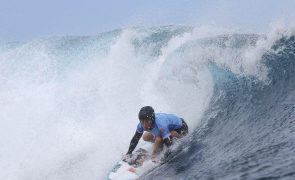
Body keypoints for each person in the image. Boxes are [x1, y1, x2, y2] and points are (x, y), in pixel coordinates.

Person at [124, 106, 188, 160]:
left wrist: (164, 157)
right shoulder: (141, 125)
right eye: (142, 122)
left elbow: (170, 144)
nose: (144, 125)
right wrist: (129, 153)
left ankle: (153, 157)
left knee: (159, 139)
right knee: (145, 136)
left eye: (146, 121)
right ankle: (160, 146)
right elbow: (136, 138)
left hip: (181, 128)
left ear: (152, 119)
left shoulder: (161, 124)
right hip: (166, 132)